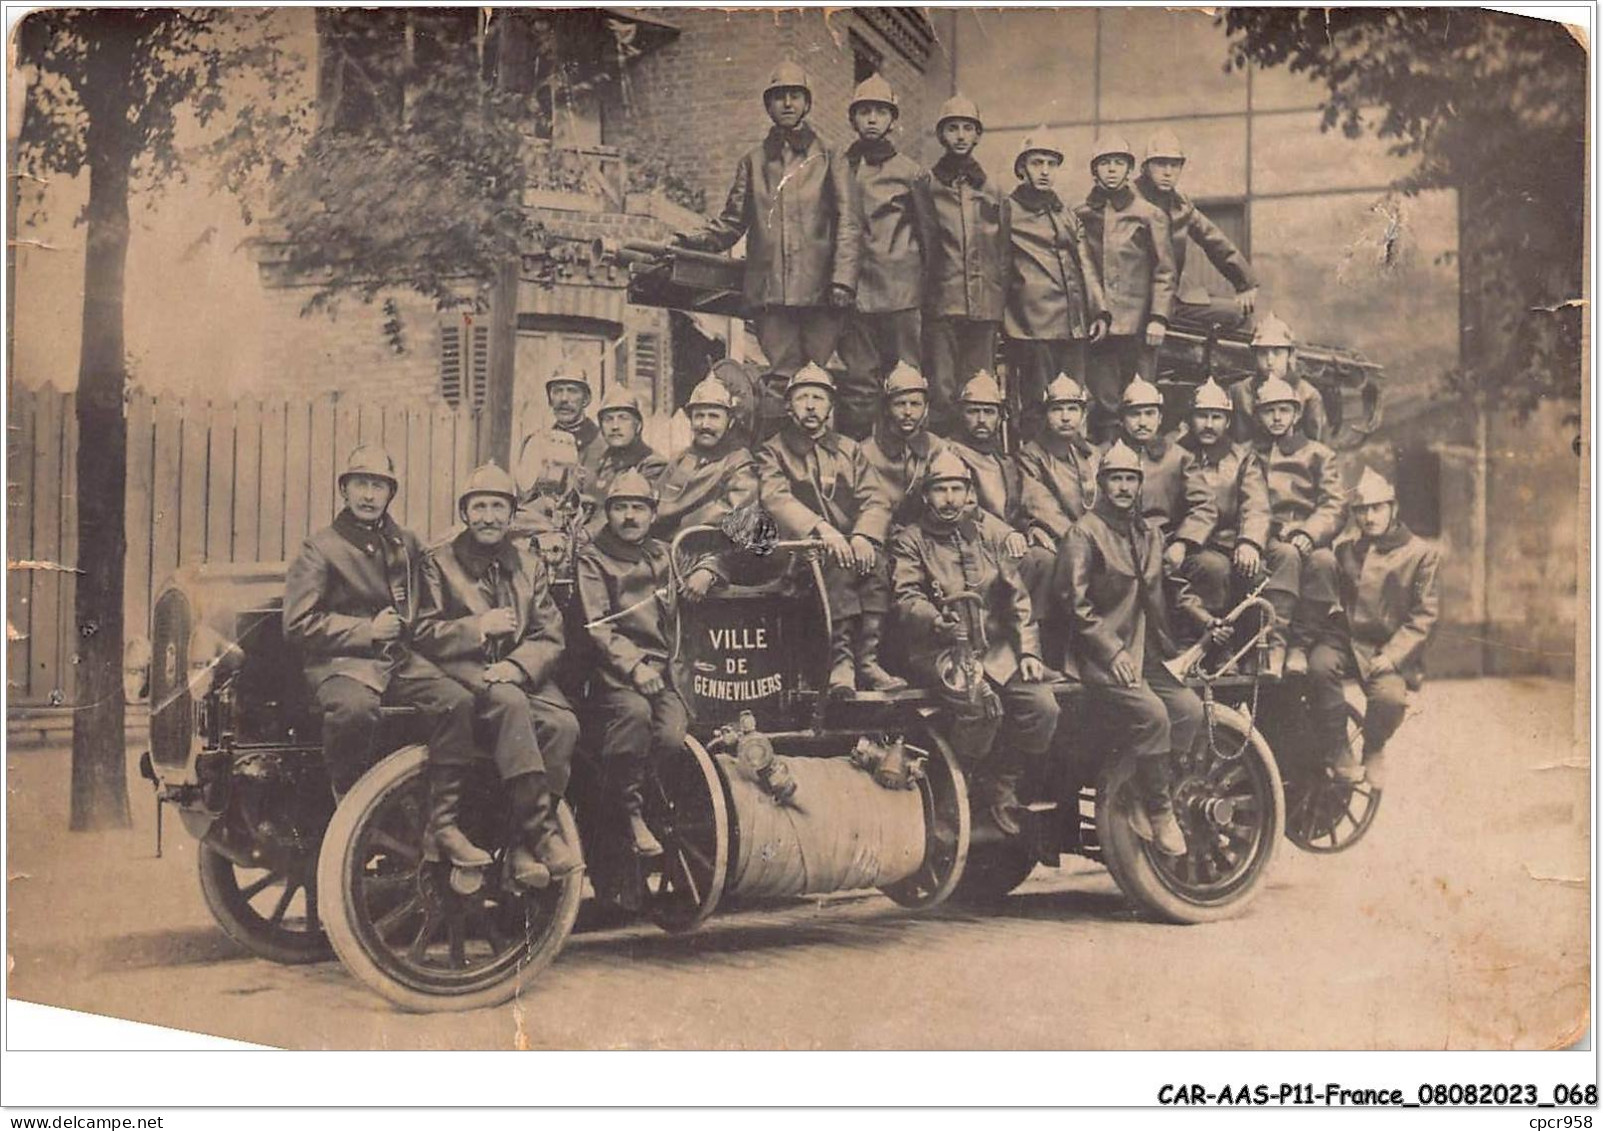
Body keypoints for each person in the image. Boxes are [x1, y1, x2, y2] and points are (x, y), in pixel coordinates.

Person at [283, 445, 483, 867]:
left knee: (457, 701)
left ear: (390, 493)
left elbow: (439, 578)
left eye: (378, 485)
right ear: (344, 489)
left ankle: (441, 824)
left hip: (399, 659)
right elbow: (299, 625)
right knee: (354, 710)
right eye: (360, 484)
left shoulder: (407, 542)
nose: (369, 495)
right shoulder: (320, 548)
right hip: (343, 662)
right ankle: (353, 813)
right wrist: (365, 630)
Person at [415, 463, 584, 888]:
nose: (488, 516)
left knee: (563, 725)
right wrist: (477, 627)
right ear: (465, 513)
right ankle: (542, 834)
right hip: (463, 667)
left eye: (497, 507)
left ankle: (521, 842)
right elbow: (421, 631)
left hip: (517, 671)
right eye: (479, 506)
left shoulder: (529, 565)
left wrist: (517, 665)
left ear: (512, 516)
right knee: (509, 703)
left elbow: (550, 633)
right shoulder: (438, 563)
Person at [1054, 440, 1218, 857]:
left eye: (1131, 479)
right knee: (1153, 715)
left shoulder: (1149, 533)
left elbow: (1174, 588)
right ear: (1101, 483)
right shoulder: (1083, 533)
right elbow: (1074, 604)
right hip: (1100, 656)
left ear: (1139, 484)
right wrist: (1111, 652)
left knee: (1190, 711)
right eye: (1116, 479)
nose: (1124, 487)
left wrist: (1205, 620)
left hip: (1148, 651)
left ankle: (1146, 787)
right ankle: (1160, 811)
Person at [675, 61, 859, 411]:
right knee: (779, 381)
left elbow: (850, 221)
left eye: (795, 96)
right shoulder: (753, 162)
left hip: (823, 294)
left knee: (817, 380)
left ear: (807, 104)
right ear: (768, 106)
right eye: (779, 97)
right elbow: (731, 223)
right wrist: (691, 240)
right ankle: (778, 460)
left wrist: (843, 282)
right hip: (770, 293)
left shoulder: (830, 157)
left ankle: (821, 462)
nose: (787, 104)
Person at [890, 450, 1058, 835]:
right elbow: (905, 598)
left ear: (969, 493)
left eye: (957, 489)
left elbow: (1017, 599)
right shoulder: (911, 541)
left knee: (1042, 706)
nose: (949, 498)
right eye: (940, 489)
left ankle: (1002, 780)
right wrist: (935, 620)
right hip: (939, 650)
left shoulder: (988, 535)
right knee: (977, 705)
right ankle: (957, 789)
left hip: (993, 649)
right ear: (927, 496)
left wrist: (1029, 651)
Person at [756, 363, 903, 694]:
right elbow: (775, 499)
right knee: (835, 559)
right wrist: (822, 529)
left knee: (876, 561)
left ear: (830, 407)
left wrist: (864, 536)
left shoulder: (849, 449)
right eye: (802, 397)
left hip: (847, 547)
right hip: (795, 553)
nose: (810, 405)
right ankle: (842, 663)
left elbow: (875, 499)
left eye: (819, 398)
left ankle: (867, 659)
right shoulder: (773, 450)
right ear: (788, 406)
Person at [572, 470, 689, 857]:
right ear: (608, 513)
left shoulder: (662, 553)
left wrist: (710, 571)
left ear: (652, 514)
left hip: (663, 672)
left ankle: (641, 800)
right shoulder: (593, 559)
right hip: (614, 675)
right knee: (634, 716)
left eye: (638, 507)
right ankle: (629, 813)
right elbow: (598, 625)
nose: (629, 516)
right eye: (620, 507)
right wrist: (635, 666)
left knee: (673, 734)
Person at [1307, 468, 1441, 789]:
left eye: (1377, 508)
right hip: (1344, 639)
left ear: (1393, 509)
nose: (1369, 517)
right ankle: (1338, 748)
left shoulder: (1420, 554)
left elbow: (1424, 615)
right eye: (1361, 510)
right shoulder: (1345, 550)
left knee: (1391, 699)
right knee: (1319, 667)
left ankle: (1374, 747)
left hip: (1384, 645)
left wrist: (1394, 656)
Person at [837, 73, 931, 441]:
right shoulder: (838, 167)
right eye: (864, 112)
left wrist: (924, 290)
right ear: (853, 119)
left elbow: (928, 237)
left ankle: (909, 461)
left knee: (905, 381)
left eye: (880, 111)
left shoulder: (910, 172)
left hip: (900, 294)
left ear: (893, 120)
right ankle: (860, 460)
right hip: (853, 294)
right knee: (860, 382)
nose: (872, 119)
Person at [1171, 378, 1285, 670]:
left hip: (1230, 541)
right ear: (1190, 418)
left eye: (1217, 417)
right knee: (1214, 568)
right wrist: (1182, 541)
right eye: (1202, 416)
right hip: (1189, 545)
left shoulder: (1242, 457)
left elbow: (1256, 504)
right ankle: (1207, 649)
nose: (1209, 424)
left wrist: (1249, 542)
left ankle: (1247, 653)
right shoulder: (1175, 455)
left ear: (1227, 420)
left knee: (1255, 573)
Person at [1003, 129, 1108, 440]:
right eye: (1037, 162)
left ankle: (1072, 468)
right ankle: (1036, 471)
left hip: (1073, 326)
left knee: (1072, 402)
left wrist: (1099, 311)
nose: (1045, 170)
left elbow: (1085, 264)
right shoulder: (1007, 210)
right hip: (1032, 327)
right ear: (1021, 168)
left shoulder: (1065, 213)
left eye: (1051, 163)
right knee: (1037, 405)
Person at [1075, 134, 1177, 442]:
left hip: (1139, 326)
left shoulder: (1149, 214)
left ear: (1130, 168)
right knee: (1105, 404)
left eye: (1119, 163)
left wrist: (1159, 317)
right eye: (1104, 163)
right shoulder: (1080, 214)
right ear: (1094, 170)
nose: (1111, 170)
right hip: (1098, 327)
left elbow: (1165, 270)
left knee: (1140, 400)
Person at [919, 94, 1009, 435]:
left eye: (967, 128)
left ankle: (976, 459)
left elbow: (1003, 253)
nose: (960, 135)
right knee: (941, 387)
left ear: (977, 135)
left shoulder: (993, 190)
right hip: (941, 304)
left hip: (984, 308)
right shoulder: (926, 186)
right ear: (941, 136)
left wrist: (998, 304)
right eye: (952, 128)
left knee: (979, 388)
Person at [1253, 375, 1346, 676]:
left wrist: (1309, 532)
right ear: (1259, 415)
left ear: (1296, 413)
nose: (1277, 417)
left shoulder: (1320, 454)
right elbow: (1252, 501)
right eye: (1269, 411)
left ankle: (1300, 646)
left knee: (1325, 562)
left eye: (1284, 410)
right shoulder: (1254, 455)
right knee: (1287, 556)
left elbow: (1334, 504)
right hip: (1272, 538)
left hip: (1310, 537)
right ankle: (1276, 642)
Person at [1135, 129, 1258, 331]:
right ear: (1146, 167)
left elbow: (1213, 239)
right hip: (1134, 302)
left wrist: (1245, 282)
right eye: (1160, 164)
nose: (1168, 172)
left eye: (1174, 165)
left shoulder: (1180, 205)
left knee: (1236, 313)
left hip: (1172, 299)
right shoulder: (1128, 200)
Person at [651, 373, 760, 600]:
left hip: (703, 559)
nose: (704, 425)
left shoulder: (738, 462)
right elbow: (657, 502)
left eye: (714, 416)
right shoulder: (684, 458)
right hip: (662, 551)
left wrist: (710, 567)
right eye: (698, 416)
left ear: (729, 421)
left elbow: (738, 521)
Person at [1108, 376, 1217, 569]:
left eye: (1149, 414)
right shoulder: (1105, 456)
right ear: (1122, 419)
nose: (1142, 422)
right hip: (1116, 545)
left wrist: (1182, 543)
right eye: (1134, 414)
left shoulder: (1178, 457)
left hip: (1165, 543)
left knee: (1212, 566)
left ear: (1160, 418)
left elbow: (1204, 505)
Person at [860, 360, 950, 526]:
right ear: (887, 408)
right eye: (900, 404)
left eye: (915, 404)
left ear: (926, 408)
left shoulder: (939, 449)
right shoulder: (866, 451)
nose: (908, 412)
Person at [1231, 313, 1329, 444]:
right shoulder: (1240, 392)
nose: (1270, 361)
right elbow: (1235, 442)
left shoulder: (1308, 395)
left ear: (1289, 355)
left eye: (1277, 353)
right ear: (1254, 356)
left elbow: (1319, 447)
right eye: (1263, 353)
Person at [513, 361, 599, 509]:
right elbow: (523, 498)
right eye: (557, 391)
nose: (564, 398)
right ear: (550, 399)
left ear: (586, 399)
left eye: (572, 391)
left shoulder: (601, 444)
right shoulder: (536, 443)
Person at [584, 386, 668, 532]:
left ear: (638, 426)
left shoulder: (652, 464)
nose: (615, 426)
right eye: (608, 419)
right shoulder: (599, 462)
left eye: (623, 418)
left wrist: (584, 534)